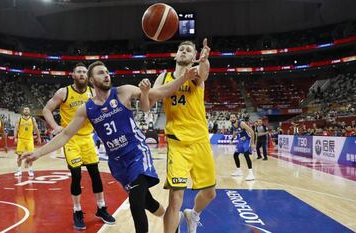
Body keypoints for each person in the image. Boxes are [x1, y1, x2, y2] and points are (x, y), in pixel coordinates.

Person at [21, 61, 198, 233]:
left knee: (136, 203)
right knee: (147, 202)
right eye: (101, 73)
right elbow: (66, 135)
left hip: (136, 153)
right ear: (91, 80)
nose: (106, 75)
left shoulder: (123, 91)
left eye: (107, 72)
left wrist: (181, 79)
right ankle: (177, 218)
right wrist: (37, 153)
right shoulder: (86, 109)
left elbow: (157, 94)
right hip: (118, 163)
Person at [153, 38, 216, 233]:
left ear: (194, 56)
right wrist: (180, 79)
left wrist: (205, 60)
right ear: (175, 55)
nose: (183, 51)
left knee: (210, 193)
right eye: (181, 49)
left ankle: (193, 214)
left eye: (188, 50)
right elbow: (154, 95)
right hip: (177, 142)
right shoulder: (164, 77)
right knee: (175, 198)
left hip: (200, 140)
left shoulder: (196, 75)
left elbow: (204, 73)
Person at [42, 63, 115, 230]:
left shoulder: (92, 92)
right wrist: (55, 127)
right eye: (79, 72)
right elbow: (47, 110)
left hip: (88, 139)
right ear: (73, 75)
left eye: (84, 72)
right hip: (71, 139)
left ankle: (101, 208)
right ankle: (77, 210)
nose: (82, 74)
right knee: (76, 176)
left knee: (95, 175)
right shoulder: (64, 92)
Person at [14, 107, 42, 177]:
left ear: (29, 111)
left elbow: (36, 128)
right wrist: (15, 137)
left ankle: (30, 170)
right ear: (23, 111)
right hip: (21, 139)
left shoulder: (32, 119)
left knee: (30, 156)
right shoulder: (19, 119)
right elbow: (16, 129)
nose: (26, 111)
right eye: (25, 110)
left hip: (29, 139)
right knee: (19, 155)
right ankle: (19, 170)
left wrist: (39, 137)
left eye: (27, 110)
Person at [230, 113, 256, 181]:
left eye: (233, 117)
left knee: (246, 155)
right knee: (235, 155)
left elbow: (252, 132)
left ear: (236, 118)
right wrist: (232, 139)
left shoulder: (242, 124)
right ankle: (238, 171)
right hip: (242, 140)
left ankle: (251, 174)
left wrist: (253, 143)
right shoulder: (232, 124)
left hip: (248, 139)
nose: (232, 118)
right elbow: (234, 132)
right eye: (231, 117)